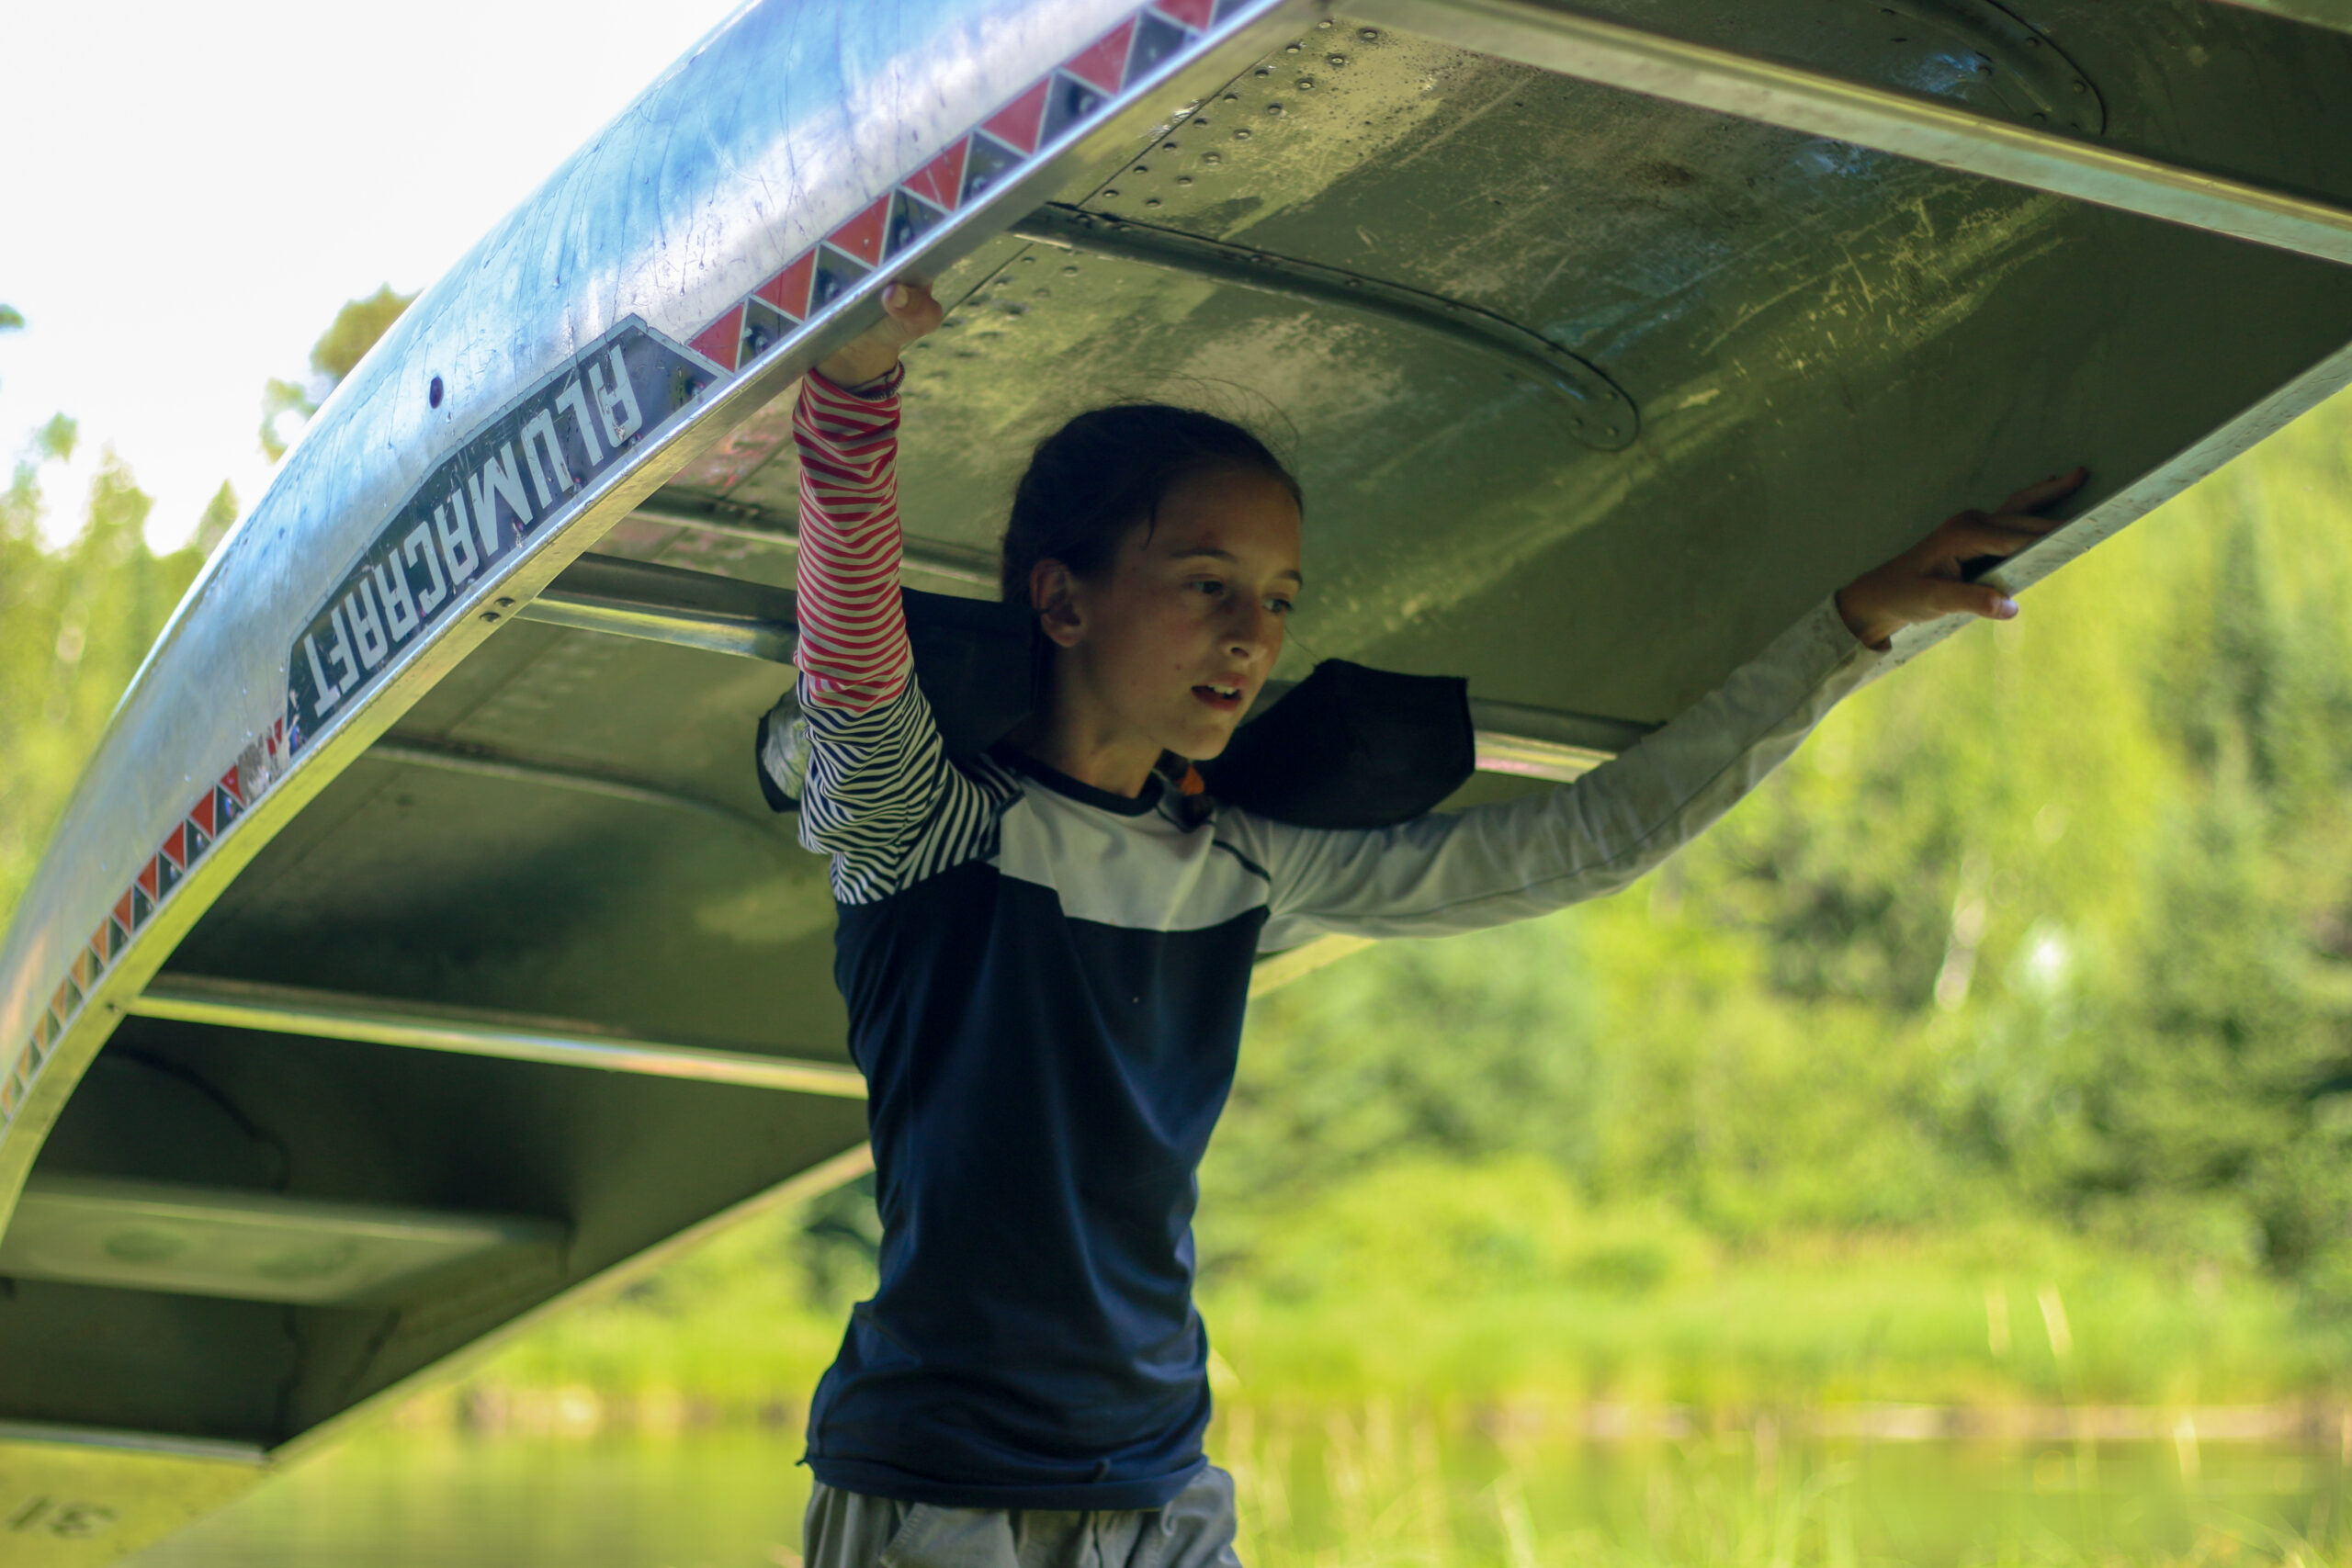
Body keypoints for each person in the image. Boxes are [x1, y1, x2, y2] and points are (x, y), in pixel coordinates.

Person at [759, 277, 2086, 1568]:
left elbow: (1589, 840)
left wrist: (1853, 630)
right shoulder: (928, 832)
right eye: (1207, 584)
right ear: (1062, 601)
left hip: (1162, 1489)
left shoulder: (1240, 871)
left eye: (1278, 600)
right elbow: (856, 654)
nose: (1251, 638)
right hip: (941, 1492)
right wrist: (856, 388)